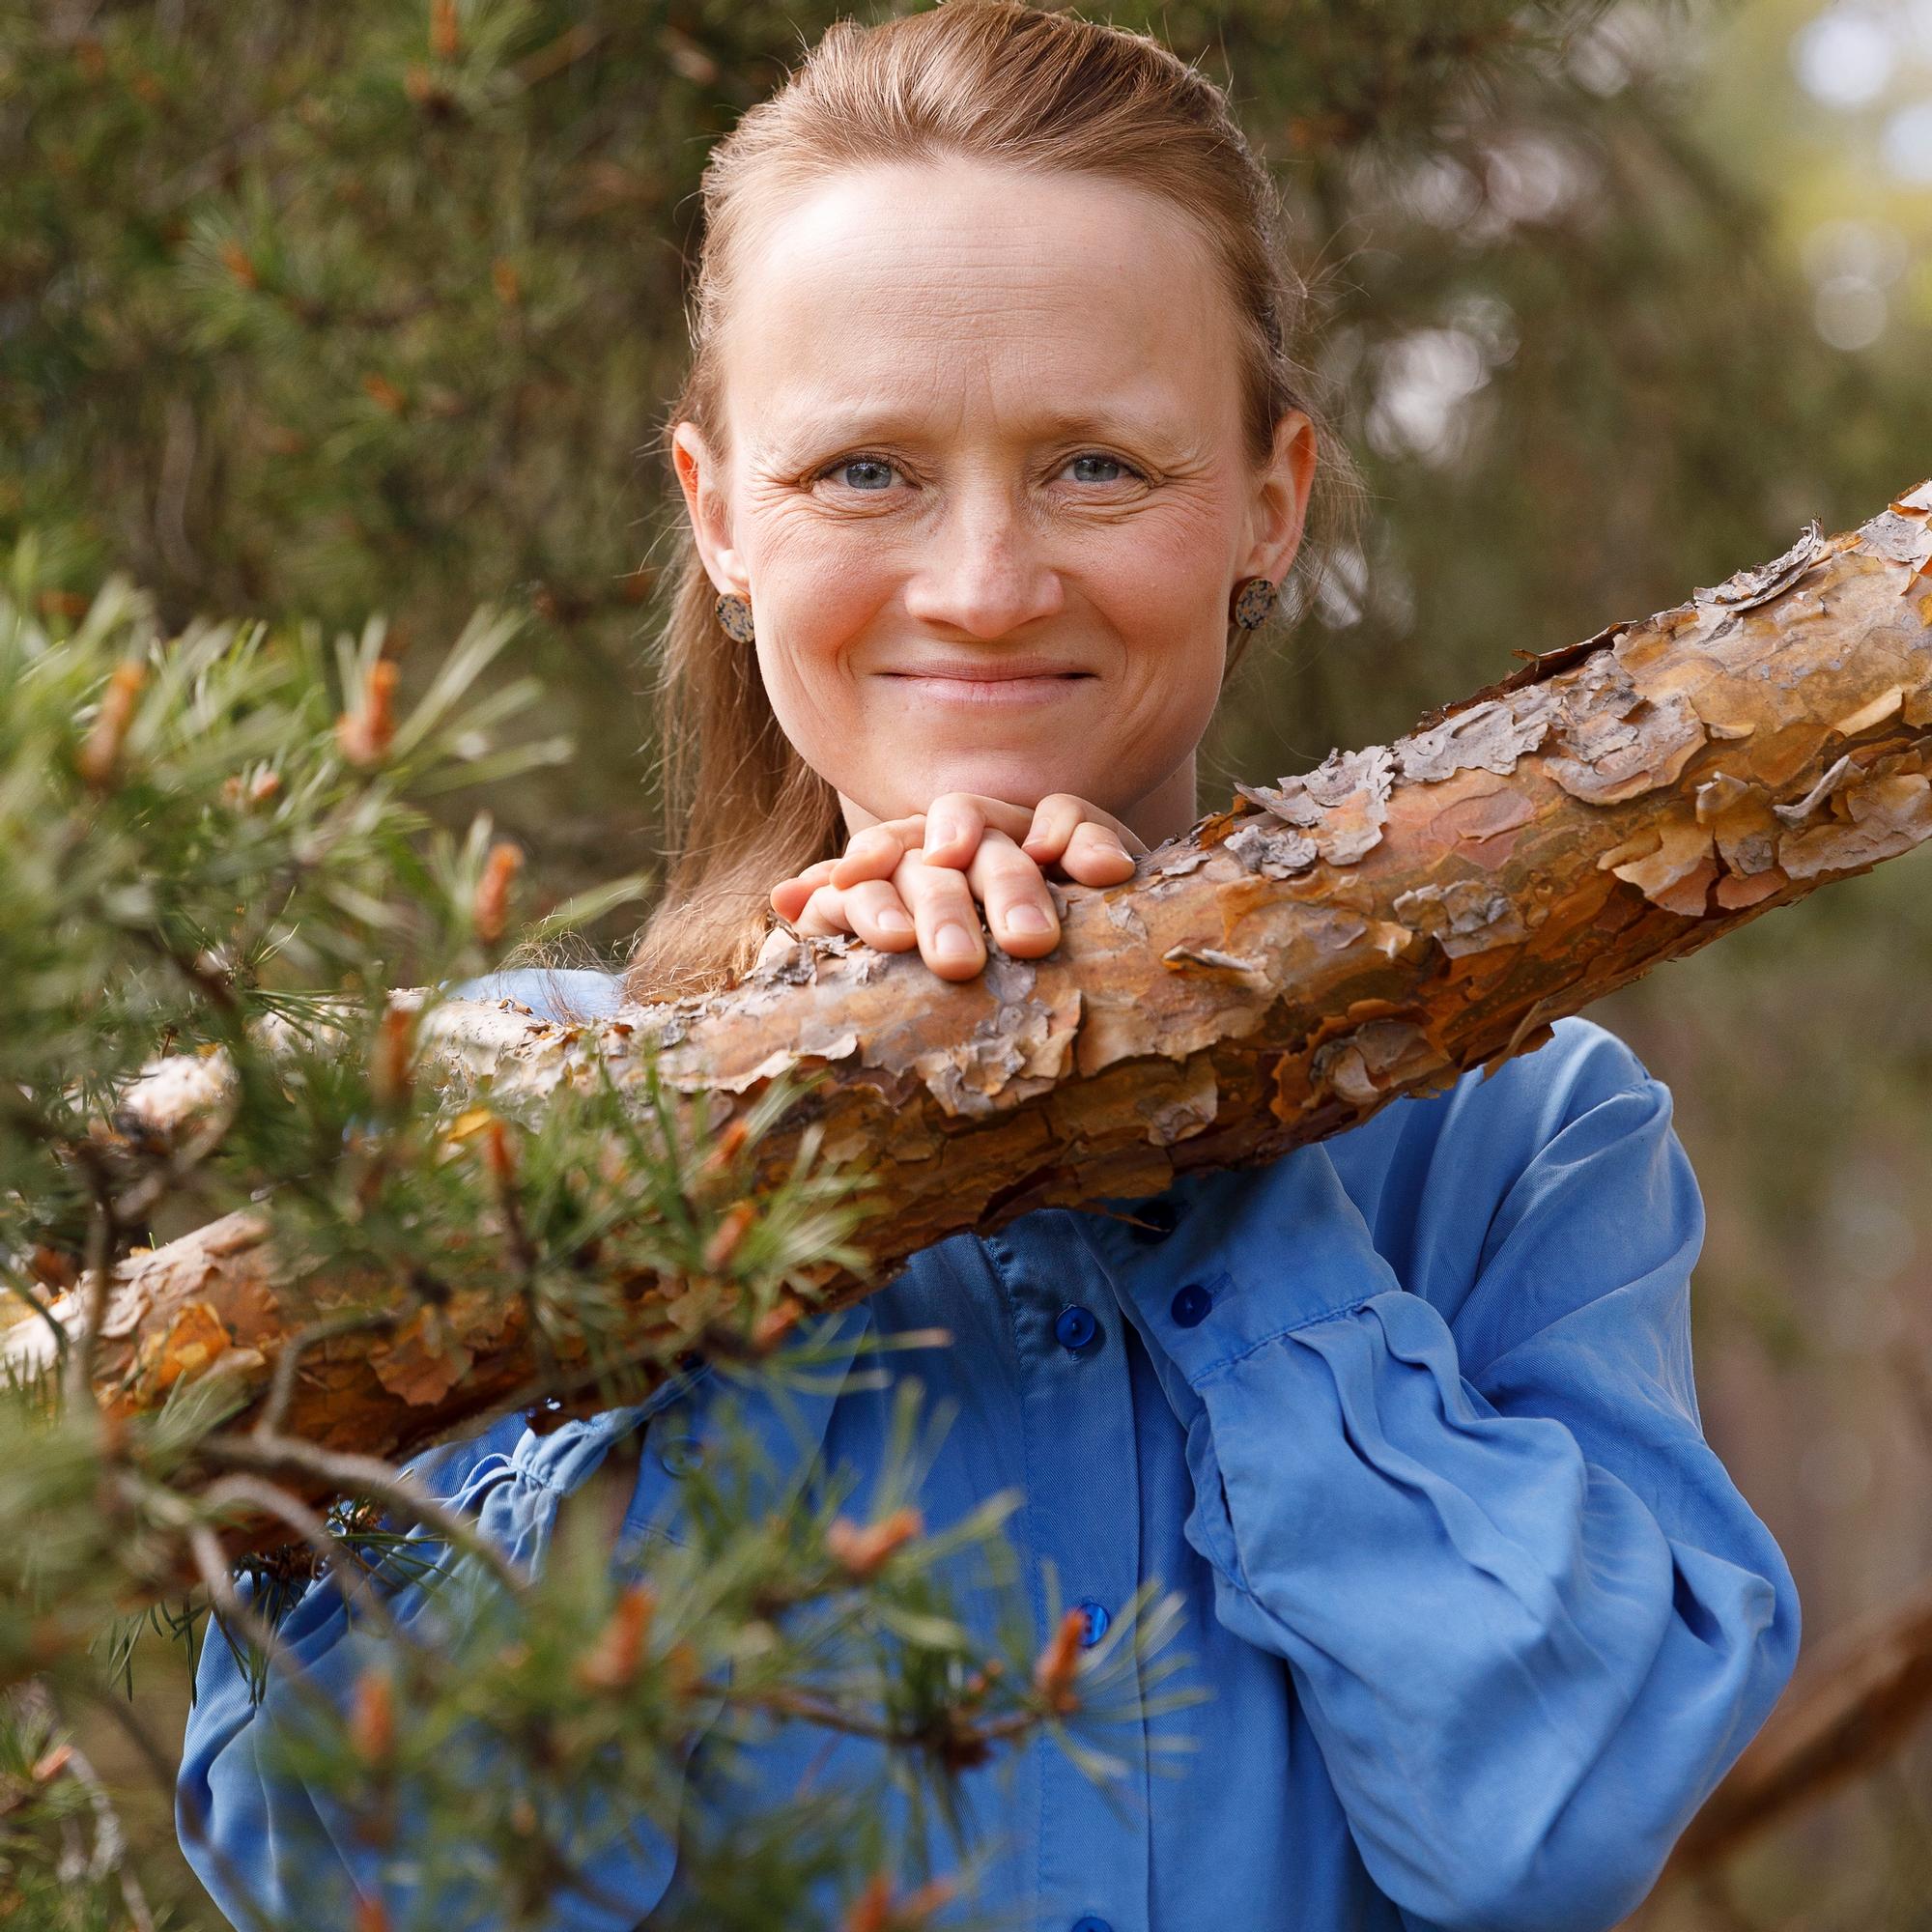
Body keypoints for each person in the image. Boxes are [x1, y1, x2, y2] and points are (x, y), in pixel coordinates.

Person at [179, 7, 1800, 1930]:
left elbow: (1557, 1823)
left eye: (1096, 467)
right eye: (863, 469)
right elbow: (363, 1872)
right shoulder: (479, 1128)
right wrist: (763, 1177)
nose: (981, 583)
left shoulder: (1515, 1141)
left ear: (1271, 497)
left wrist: (1201, 1141)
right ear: (716, 514)